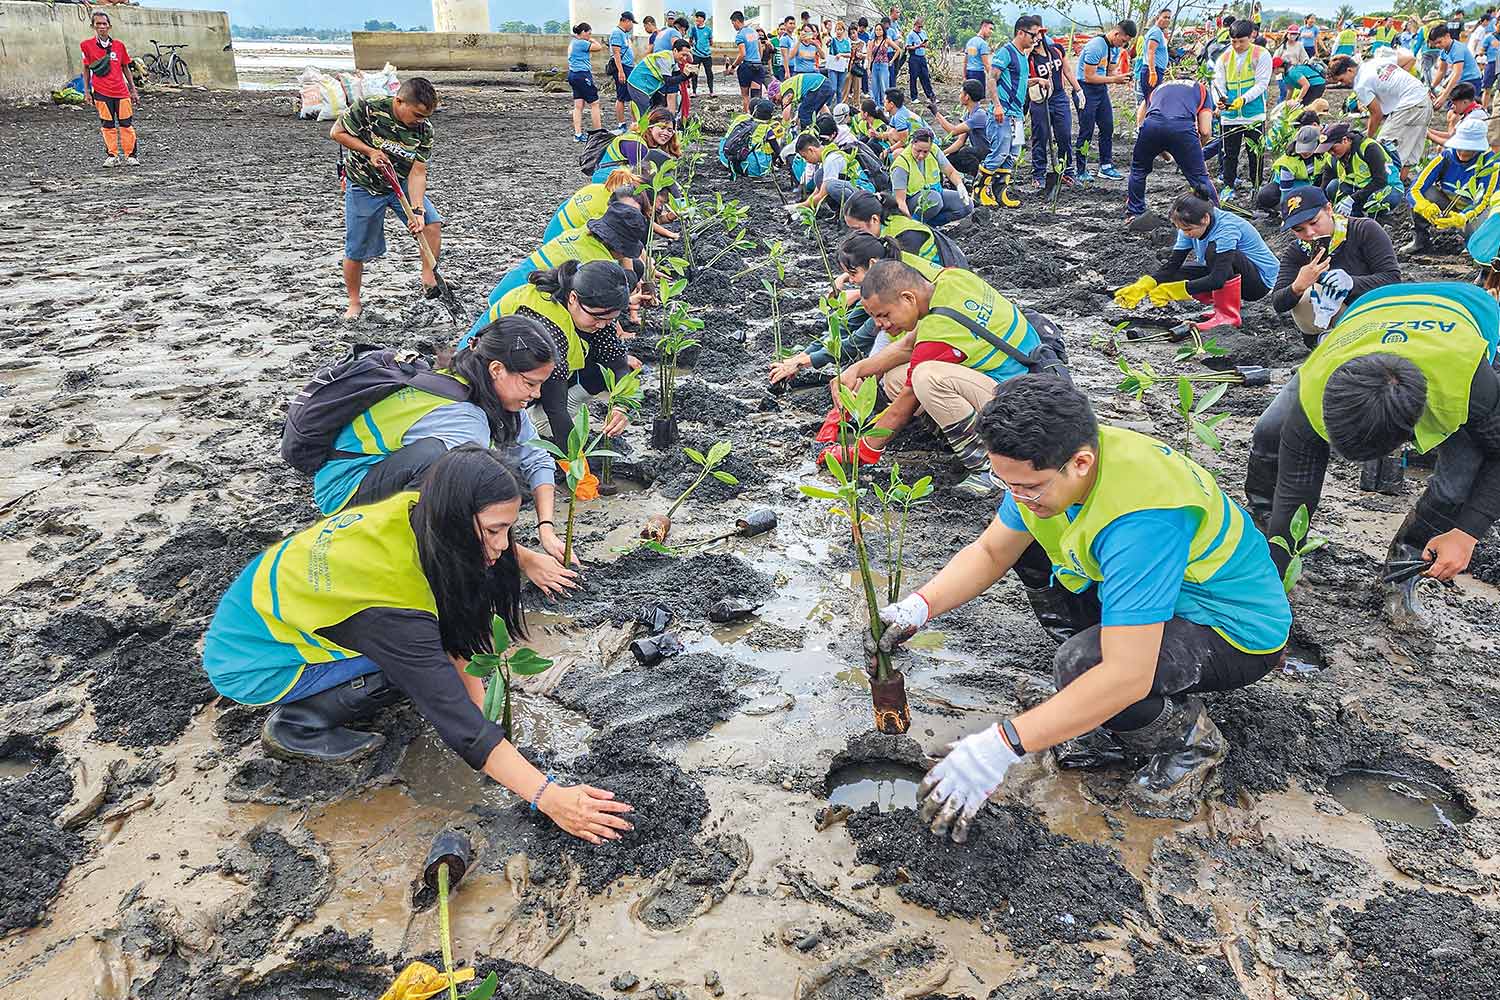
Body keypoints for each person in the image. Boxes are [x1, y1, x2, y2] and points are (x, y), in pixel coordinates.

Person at [886, 375, 1290, 839]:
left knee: (1088, 665)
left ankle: (1190, 743)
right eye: (1008, 483)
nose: (1019, 497)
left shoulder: (1143, 518)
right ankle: (1091, 709)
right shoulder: (1052, 468)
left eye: (1030, 486)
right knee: (1029, 550)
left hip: (1230, 628)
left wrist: (1002, 746)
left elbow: (1126, 674)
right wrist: (920, 605)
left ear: (1080, 462)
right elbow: (992, 551)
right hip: (1152, 598)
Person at [203, 446, 636, 843]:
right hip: (255, 659)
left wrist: (483, 710)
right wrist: (549, 796)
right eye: (494, 531)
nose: (503, 546)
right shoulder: (391, 604)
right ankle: (299, 724)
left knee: (430, 654)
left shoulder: (419, 511)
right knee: (409, 671)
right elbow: (453, 718)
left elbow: (460, 637)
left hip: (282, 608)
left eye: (509, 529)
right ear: (456, 518)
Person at [1247, 282, 1500, 624]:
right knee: (1270, 429)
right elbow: (1296, 488)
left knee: (1458, 479)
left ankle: (1402, 568)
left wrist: (1466, 532)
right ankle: (1263, 533)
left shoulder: (1471, 385)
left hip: (1468, 308)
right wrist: (1276, 571)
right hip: (1372, 308)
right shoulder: (1318, 380)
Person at [310, 317, 579, 596]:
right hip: (346, 491)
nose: (535, 395)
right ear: (497, 369)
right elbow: (458, 504)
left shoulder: (491, 391)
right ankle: (400, 551)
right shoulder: (463, 418)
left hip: (389, 471)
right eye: (530, 384)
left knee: (496, 478)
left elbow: (536, 457)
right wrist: (528, 560)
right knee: (456, 476)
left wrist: (545, 528)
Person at [829, 261, 1063, 494]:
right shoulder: (952, 280)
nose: (880, 326)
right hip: (1033, 381)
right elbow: (908, 346)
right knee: (896, 379)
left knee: (926, 377)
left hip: (1026, 412)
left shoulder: (940, 329)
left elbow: (903, 406)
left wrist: (863, 450)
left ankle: (989, 468)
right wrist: (857, 370)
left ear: (908, 298)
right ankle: (960, 436)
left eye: (883, 315)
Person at [485, 262, 636, 450]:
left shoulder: (594, 311)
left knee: (608, 373)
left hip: (543, 379)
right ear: (573, 298)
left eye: (610, 320)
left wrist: (622, 405)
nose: (602, 325)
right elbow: (555, 407)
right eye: (597, 318)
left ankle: (545, 420)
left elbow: (618, 365)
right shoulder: (546, 328)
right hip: (497, 383)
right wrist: (575, 461)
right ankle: (532, 426)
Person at [769, 233, 942, 390]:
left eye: (853, 274)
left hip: (933, 342)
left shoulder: (889, 285)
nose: (851, 280)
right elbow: (846, 327)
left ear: (872, 264)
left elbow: (857, 340)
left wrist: (803, 363)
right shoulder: (878, 281)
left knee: (880, 380)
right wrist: (799, 358)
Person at [332, 77, 441, 323]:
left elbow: (418, 172)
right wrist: (370, 151)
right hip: (363, 185)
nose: (421, 121)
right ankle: (354, 302)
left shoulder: (425, 130)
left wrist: (418, 210)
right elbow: (336, 132)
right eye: (417, 114)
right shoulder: (368, 108)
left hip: (400, 183)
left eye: (426, 116)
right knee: (356, 248)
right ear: (399, 101)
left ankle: (428, 278)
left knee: (432, 225)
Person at [471, 198, 647, 332]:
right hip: (526, 305)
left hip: (510, 287)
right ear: (618, 246)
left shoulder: (582, 233)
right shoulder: (598, 263)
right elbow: (606, 300)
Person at [1115, 192, 1278, 332]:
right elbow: (1172, 265)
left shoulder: (1226, 229)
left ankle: (1228, 316)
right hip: (1229, 272)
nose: (1185, 234)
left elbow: (1217, 279)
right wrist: (1143, 286)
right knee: (1177, 274)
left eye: (1188, 230)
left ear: (1205, 218)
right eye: (1181, 229)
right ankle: (1219, 309)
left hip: (1259, 284)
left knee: (1213, 251)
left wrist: (1172, 291)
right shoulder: (1189, 226)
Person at [1269, 185, 1401, 341]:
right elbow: (1278, 302)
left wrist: (1351, 283)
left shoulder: (1364, 230)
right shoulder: (1297, 251)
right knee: (1306, 297)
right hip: (1329, 323)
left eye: (1314, 222)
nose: (1310, 233)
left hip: (1372, 313)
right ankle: (1328, 343)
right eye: (1299, 229)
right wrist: (1298, 286)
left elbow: (1392, 279)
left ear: (1329, 209)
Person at [1328, 53, 1433, 185]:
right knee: (1410, 147)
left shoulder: (1361, 84)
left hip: (1409, 105)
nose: (1343, 83)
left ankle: (1388, 187)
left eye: (1342, 79)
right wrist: (1395, 86)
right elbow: (1409, 59)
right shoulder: (1375, 62)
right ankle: (1401, 185)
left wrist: (1368, 139)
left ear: (1350, 70)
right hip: (1423, 98)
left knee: (1385, 147)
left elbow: (1376, 114)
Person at [1126, 79, 1217, 221]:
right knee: (1199, 177)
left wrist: (1160, 149)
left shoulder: (1159, 88)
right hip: (1182, 127)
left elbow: (1141, 117)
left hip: (1151, 126)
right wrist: (1196, 152)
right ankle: (1215, 215)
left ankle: (1134, 213)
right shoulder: (1202, 90)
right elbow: (1205, 131)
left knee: (1138, 170)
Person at [1407, 116, 1500, 253]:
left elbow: (1483, 202)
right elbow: (1415, 189)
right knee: (1427, 193)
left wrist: (1461, 218)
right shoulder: (1446, 157)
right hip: (1448, 205)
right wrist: (1423, 206)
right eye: (1461, 147)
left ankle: (1472, 245)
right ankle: (1421, 240)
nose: (1463, 153)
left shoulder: (1490, 164)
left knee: (1483, 228)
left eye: (1469, 149)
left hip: (1474, 214)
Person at [981, 16, 1039, 207]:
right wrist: (997, 105)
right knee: (999, 153)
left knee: (1013, 154)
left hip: (1018, 115)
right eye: (1033, 34)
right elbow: (992, 78)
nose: (1035, 38)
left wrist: (1037, 81)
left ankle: (1001, 192)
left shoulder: (1023, 55)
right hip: (1003, 113)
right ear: (1021, 32)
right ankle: (979, 189)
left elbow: (1018, 82)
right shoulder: (1006, 52)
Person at [1213, 20, 1272, 202]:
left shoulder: (1261, 55)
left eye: (1241, 41)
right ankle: (1229, 186)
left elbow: (1262, 83)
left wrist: (1243, 99)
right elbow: (1217, 83)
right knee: (1229, 154)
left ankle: (1256, 186)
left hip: (1253, 114)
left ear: (1251, 37)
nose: (1237, 46)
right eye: (1233, 41)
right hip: (1230, 116)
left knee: (1255, 153)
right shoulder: (1224, 58)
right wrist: (1220, 100)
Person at [1076, 21, 1137, 182]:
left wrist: (1122, 77)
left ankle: (1106, 166)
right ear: (1116, 34)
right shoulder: (1096, 46)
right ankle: (1080, 169)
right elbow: (1089, 76)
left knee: (1107, 126)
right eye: (1123, 40)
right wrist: (1114, 80)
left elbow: (1110, 71)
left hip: (1100, 89)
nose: (1124, 44)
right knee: (1086, 130)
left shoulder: (1115, 49)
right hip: (1086, 89)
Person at [842, 190, 963, 269]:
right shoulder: (886, 224)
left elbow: (897, 279)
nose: (855, 234)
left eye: (857, 228)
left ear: (874, 219)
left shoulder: (905, 234)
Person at [81, 11, 141, 168]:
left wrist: (133, 90)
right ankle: (112, 155)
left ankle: (131, 156)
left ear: (109, 26)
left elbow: (125, 67)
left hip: (121, 92)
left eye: (104, 24)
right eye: (98, 24)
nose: (101, 27)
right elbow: (86, 68)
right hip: (101, 92)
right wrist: (87, 91)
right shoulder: (86, 46)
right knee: (107, 125)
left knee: (126, 124)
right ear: (93, 26)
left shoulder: (119, 46)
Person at [1028, 26, 1080, 192]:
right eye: (1032, 35)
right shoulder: (1029, 57)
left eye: (1037, 35)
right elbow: (1024, 80)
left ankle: (1067, 171)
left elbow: (1067, 70)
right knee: (1040, 136)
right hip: (1040, 99)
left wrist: (1078, 90)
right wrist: (1037, 80)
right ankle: (1039, 174)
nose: (1035, 39)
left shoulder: (1056, 50)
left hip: (1059, 96)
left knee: (1064, 134)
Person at [1318, 122, 1403, 219]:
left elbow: (1380, 181)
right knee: (1333, 187)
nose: (1331, 153)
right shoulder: (1333, 157)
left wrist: (1351, 199)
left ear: (1345, 140)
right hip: (1360, 188)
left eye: (1333, 148)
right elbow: (1324, 184)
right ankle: (1355, 216)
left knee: (1375, 201)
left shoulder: (1369, 148)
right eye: (1328, 150)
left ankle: (1376, 222)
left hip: (1387, 187)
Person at [891, 129, 973, 226]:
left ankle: (930, 225)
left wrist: (960, 185)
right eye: (918, 151)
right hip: (911, 202)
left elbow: (950, 172)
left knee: (966, 205)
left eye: (925, 152)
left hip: (935, 193)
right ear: (912, 144)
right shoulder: (901, 164)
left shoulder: (934, 150)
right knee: (934, 199)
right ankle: (916, 225)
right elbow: (900, 201)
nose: (921, 155)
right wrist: (909, 223)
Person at [542, 168, 642, 242]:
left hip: (550, 233)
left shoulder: (593, 187)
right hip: (564, 240)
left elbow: (564, 205)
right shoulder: (611, 208)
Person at [1255, 125, 1331, 216]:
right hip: (1286, 185)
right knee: (1265, 195)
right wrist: (1286, 213)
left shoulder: (1323, 156)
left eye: (1309, 148)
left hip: (1309, 183)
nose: (1304, 152)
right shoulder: (1288, 162)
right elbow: (1285, 191)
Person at [791, 132, 874, 214]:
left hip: (864, 191)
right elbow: (817, 192)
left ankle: (854, 213)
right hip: (852, 187)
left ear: (811, 150)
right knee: (819, 175)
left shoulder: (831, 160)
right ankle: (838, 212)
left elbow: (822, 195)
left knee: (831, 186)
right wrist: (802, 206)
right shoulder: (826, 157)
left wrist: (798, 207)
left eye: (805, 157)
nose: (806, 161)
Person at [593, 107, 680, 181]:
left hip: (619, 178)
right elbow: (642, 177)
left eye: (669, 130)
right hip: (607, 180)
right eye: (662, 127)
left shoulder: (645, 141)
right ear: (650, 127)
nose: (666, 133)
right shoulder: (636, 144)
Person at [936, 79, 996, 177]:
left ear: (967, 97)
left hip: (989, 152)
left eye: (961, 93)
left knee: (966, 152)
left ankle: (978, 178)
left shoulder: (979, 115)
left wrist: (936, 114)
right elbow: (960, 141)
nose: (959, 96)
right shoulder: (968, 115)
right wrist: (943, 154)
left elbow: (952, 131)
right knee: (950, 160)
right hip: (979, 151)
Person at [626, 39, 695, 117]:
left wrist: (689, 74)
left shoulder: (673, 60)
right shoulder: (665, 59)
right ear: (675, 50)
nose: (685, 58)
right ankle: (641, 128)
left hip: (647, 86)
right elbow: (669, 81)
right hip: (637, 85)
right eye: (683, 54)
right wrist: (685, 76)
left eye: (687, 55)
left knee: (658, 109)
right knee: (645, 115)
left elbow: (677, 77)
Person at [1431, 24, 1485, 109]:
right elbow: (1441, 71)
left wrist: (1445, 95)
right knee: (1452, 108)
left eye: (1439, 42)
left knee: (1460, 109)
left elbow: (1457, 73)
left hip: (1471, 80)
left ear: (1447, 36)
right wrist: (1431, 87)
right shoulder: (1443, 52)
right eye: (1435, 43)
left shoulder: (1457, 49)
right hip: (1460, 81)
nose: (1437, 45)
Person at [568, 23, 604, 142]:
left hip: (573, 74)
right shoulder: (581, 43)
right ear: (583, 32)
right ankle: (598, 132)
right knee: (595, 103)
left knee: (578, 105)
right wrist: (592, 39)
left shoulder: (573, 43)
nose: (590, 35)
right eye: (589, 33)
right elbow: (598, 47)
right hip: (582, 75)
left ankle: (577, 134)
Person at [1427, 82, 1486, 147]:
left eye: (1455, 104)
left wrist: (1430, 135)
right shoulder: (1471, 111)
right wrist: (1429, 131)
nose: (1452, 106)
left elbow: (1456, 144)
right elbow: (1451, 135)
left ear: (1465, 102)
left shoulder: (1473, 118)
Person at [728, 11, 764, 113]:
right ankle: (756, 117)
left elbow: (742, 54)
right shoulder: (753, 32)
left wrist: (733, 66)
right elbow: (760, 48)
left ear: (737, 21)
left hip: (747, 67)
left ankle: (746, 117)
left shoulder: (740, 35)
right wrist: (758, 60)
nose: (733, 26)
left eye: (733, 23)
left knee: (745, 96)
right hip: (758, 65)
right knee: (756, 96)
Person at [608, 12, 638, 131]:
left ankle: (634, 122)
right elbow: (616, 54)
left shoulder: (623, 34)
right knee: (621, 96)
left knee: (631, 96)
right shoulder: (616, 33)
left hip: (628, 67)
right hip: (622, 67)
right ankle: (622, 123)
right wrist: (621, 71)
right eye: (631, 23)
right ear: (626, 21)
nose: (632, 26)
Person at [1138, 8, 1173, 113]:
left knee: (1148, 101)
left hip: (1155, 69)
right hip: (1152, 71)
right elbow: (1151, 51)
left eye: (1169, 17)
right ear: (1158, 18)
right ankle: (1148, 127)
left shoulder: (1158, 32)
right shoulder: (1156, 32)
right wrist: (1152, 71)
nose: (1167, 20)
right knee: (1153, 102)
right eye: (1165, 17)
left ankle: (1141, 126)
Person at [906, 16, 936, 111]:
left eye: (921, 26)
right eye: (919, 26)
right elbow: (908, 47)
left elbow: (926, 44)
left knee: (925, 77)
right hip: (914, 58)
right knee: (913, 77)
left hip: (922, 57)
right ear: (915, 25)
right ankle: (914, 97)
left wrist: (924, 45)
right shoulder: (910, 35)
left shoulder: (923, 33)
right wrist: (918, 46)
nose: (920, 28)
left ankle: (930, 96)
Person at [868, 21, 898, 106]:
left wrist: (891, 61)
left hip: (883, 65)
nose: (878, 32)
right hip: (875, 65)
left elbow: (898, 49)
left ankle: (885, 106)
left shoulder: (886, 40)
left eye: (880, 30)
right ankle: (877, 106)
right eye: (876, 30)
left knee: (884, 86)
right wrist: (868, 68)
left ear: (883, 31)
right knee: (875, 87)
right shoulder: (872, 42)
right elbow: (870, 55)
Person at [965, 19, 997, 94]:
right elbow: (986, 64)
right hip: (978, 74)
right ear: (984, 27)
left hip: (969, 72)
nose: (991, 32)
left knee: (970, 97)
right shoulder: (983, 44)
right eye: (990, 28)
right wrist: (992, 78)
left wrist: (964, 76)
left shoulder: (970, 41)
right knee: (978, 97)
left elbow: (965, 61)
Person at [826, 21, 852, 102]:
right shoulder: (833, 40)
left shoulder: (846, 42)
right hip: (833, 66)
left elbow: (849, 54)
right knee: (833, 88)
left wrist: (841, 54)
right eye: (837, 29)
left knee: (839, 90)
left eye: (840, 30)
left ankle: (839, 107)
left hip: (842, 66)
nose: (839, 32)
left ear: (843, 31)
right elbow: (828, 44)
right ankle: (827, 104)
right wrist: (828, 42)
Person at [689, 11, 714, 95]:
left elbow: (711, 41)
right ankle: (694, 91)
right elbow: (690, 40)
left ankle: (711, 91)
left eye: (698, 17)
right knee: (694, 73)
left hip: (707, 55)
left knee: (709, 73)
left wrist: (706, 47)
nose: (697, 19)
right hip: (696, 54)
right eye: (696, 18)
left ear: (703, 19)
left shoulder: (708, 30)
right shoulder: (693, 29)